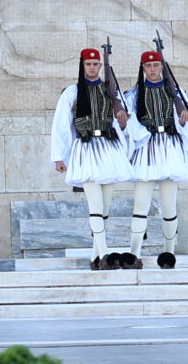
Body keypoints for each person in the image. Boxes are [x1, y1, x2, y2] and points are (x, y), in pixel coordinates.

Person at [49, 46, 144, 270]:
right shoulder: (72, 92)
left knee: (106, 208)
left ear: (101, 66)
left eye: (95, 64)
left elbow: (126, 125)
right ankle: (104, 255)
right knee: (95, 206)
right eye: (88, 64)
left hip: (109, 149)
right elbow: (61, 126)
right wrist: (59, 157)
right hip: (86, 149)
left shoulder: (110, 91)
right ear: (82, 67)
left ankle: (95, 259)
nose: (92, 68)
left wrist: (122, 121)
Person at [122, 47, 188, 269]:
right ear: (143, 69)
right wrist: (139, 133)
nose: (152, 69)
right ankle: (134, 253)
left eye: (156, 65)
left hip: (169, 148)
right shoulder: (133, 94)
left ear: (162, 67)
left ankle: (169, 253)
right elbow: (128, 123)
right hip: (146, 149)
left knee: (169, 205)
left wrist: (183, 121)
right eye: (148, 66)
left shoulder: (175, 92)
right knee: (141, 204)